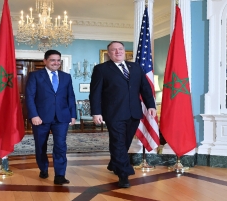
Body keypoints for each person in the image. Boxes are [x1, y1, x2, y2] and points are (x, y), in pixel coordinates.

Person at [89, 41, 157, 188]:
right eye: (114, 50)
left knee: (124, 142)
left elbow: (145, 88)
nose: (118, 52)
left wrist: (151, 105)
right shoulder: (101, 69)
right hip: (113, 113)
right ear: (109, 53)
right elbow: (95, 93)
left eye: (120, 49)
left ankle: (114, 164)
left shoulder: (136, 67)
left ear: (124, 51)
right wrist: (96, 112)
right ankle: (124, 174)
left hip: (134, 112)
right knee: (118, 142)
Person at [25, 50, 76, 185]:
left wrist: (73, 115)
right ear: (45, 61)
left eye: (58, 60)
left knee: (60, 146)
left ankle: (60, 175)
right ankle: (43, 168)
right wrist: (34, 115)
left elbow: (70, 96)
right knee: (41, 146)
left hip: (62, 117)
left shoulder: (66, 77)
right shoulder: (35, 75)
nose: (56, 63)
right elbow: (30, 97)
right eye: (53, 60)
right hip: (40, 118)